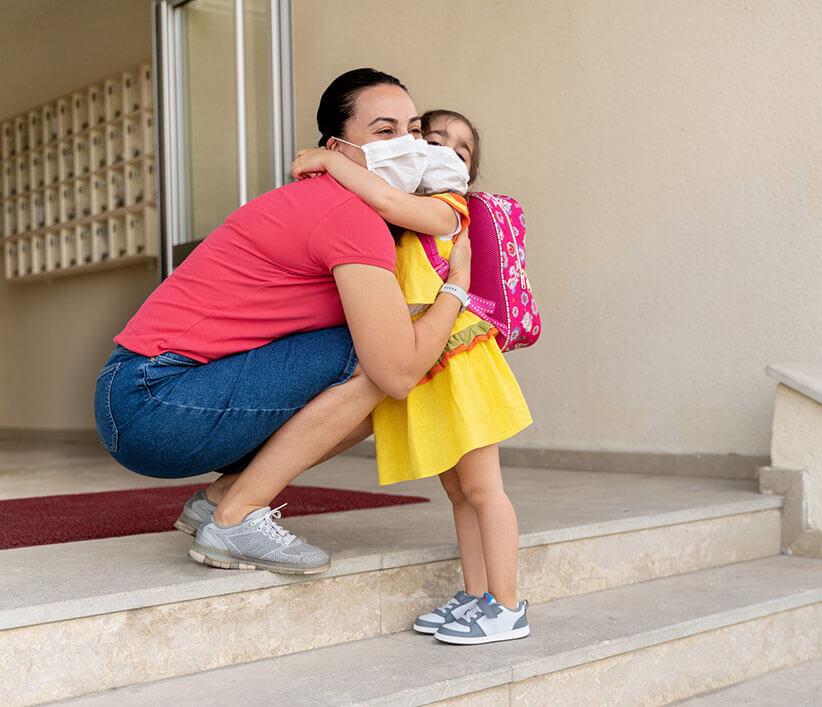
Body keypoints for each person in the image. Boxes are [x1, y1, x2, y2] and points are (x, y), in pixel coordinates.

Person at [93, 68, 471, 576]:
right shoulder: (347, 214)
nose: (406, 145)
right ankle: (236, 519)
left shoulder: (346, 207)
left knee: (383, 355)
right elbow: (398, 371)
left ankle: (224, 498)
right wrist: (457, 289)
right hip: (155, 399)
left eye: (413, 130)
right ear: (337, 149)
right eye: (384, 131)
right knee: (383, 358)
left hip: (148, 395)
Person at [289, 110, 531, 644]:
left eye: (460, 149)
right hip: (430, 361)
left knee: (484, 489)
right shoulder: (401, 221)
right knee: (459, 490)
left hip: (461, 361)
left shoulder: (448, 207)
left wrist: (329, 157)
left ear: (467, 172)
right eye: (431, 137)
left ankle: (508, 606)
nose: (442, 149)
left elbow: (384, 196)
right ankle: (477, 595)